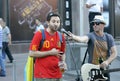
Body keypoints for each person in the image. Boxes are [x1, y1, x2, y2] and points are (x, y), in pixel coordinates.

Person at [69, 15, 117, 81]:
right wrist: (73, 37)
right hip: (92, 69)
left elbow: (114, 53)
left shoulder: (109, 37)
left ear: (103, 25)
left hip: (104, 69)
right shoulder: (91, 35)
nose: (94, 25)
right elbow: (83, 39)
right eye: (93, 23)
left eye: (97, 23)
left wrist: (107, 62)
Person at [29, 12, 67, 81]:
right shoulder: (39, 34)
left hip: (58, 75)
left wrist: (63, 62)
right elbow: (31, 53)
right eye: (53, 21)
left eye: (58, 22)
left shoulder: (61, 36)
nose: (56, 24)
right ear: (48, 22)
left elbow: (63, 53)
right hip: (43, 75)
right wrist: (50, 52)